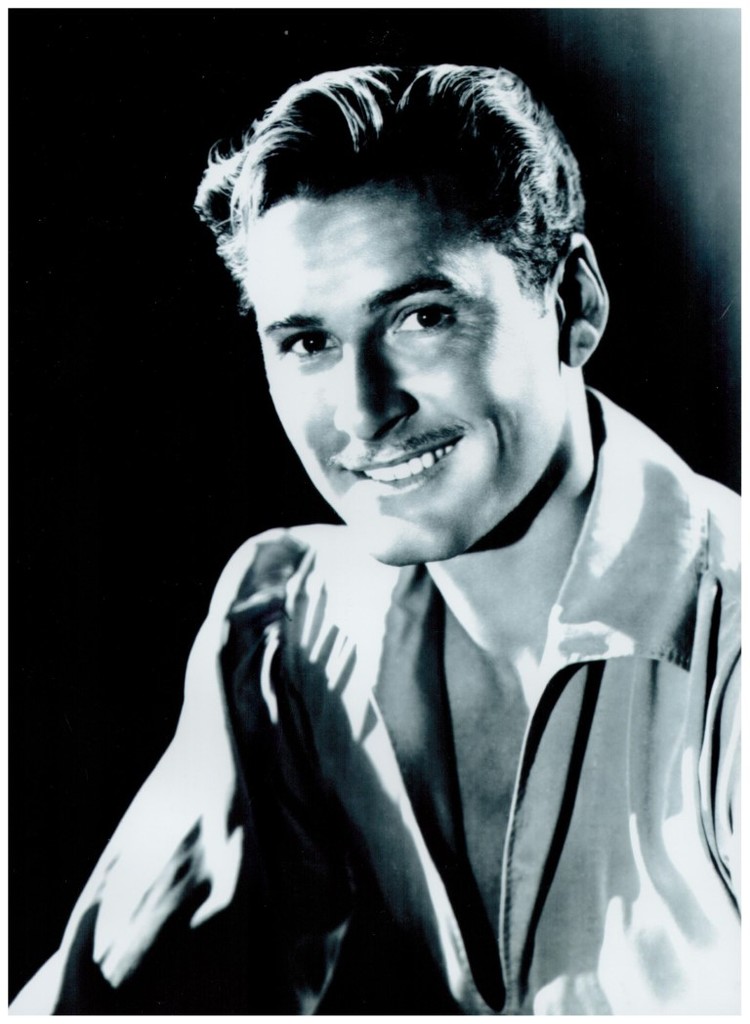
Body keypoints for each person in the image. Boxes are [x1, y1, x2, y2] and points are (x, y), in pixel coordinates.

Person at [11, 64, 740, 1015]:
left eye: (422, 317)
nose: (363, 410)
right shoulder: (291, 626)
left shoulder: (733, 639)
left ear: (576, 300)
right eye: (307, 342)